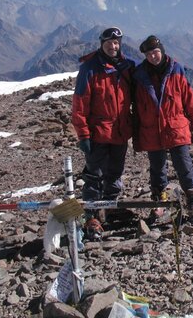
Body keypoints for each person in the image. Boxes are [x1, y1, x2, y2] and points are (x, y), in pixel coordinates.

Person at [132, 35, 193, 223]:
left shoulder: (176, 71)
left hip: (176, 129)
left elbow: (191, 103)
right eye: (149, 54)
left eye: (155, 52)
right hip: (152, 131)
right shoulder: (139, 75)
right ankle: (159, 200)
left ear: (162, 51)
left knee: (183, 165)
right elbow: (135, 108)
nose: (153, 57)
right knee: (157, 168)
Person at [71, 27, 135, 240]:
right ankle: (91, 216)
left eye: (116, 42)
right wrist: (83, 135)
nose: (113, 46)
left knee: (115, 173)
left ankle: (109, 207)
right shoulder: (90, 69)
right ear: (101, 43)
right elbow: (79, 105)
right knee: (94, 176)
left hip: (119, 132)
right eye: (109, 42)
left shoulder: (127, 67)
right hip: (98, 133)